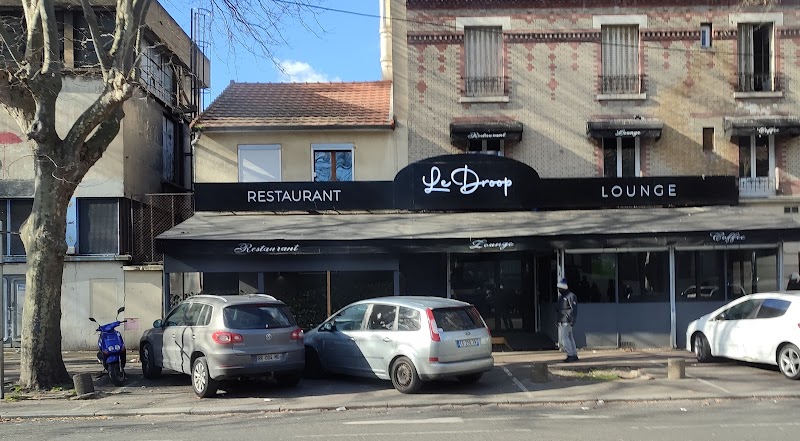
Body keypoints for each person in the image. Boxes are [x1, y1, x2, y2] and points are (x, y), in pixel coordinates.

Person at [556, 278, 579, 362]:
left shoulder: (570, 296)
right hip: (564, 320)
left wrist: (572, 319)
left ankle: (570, 354)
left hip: (567, 320)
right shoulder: (562, 297)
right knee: (570, 337)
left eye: (560, 288)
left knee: (565, 338)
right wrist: (558, 320)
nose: (559, 290)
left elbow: (574, 309)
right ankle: (573, 354)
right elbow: (559, 310)